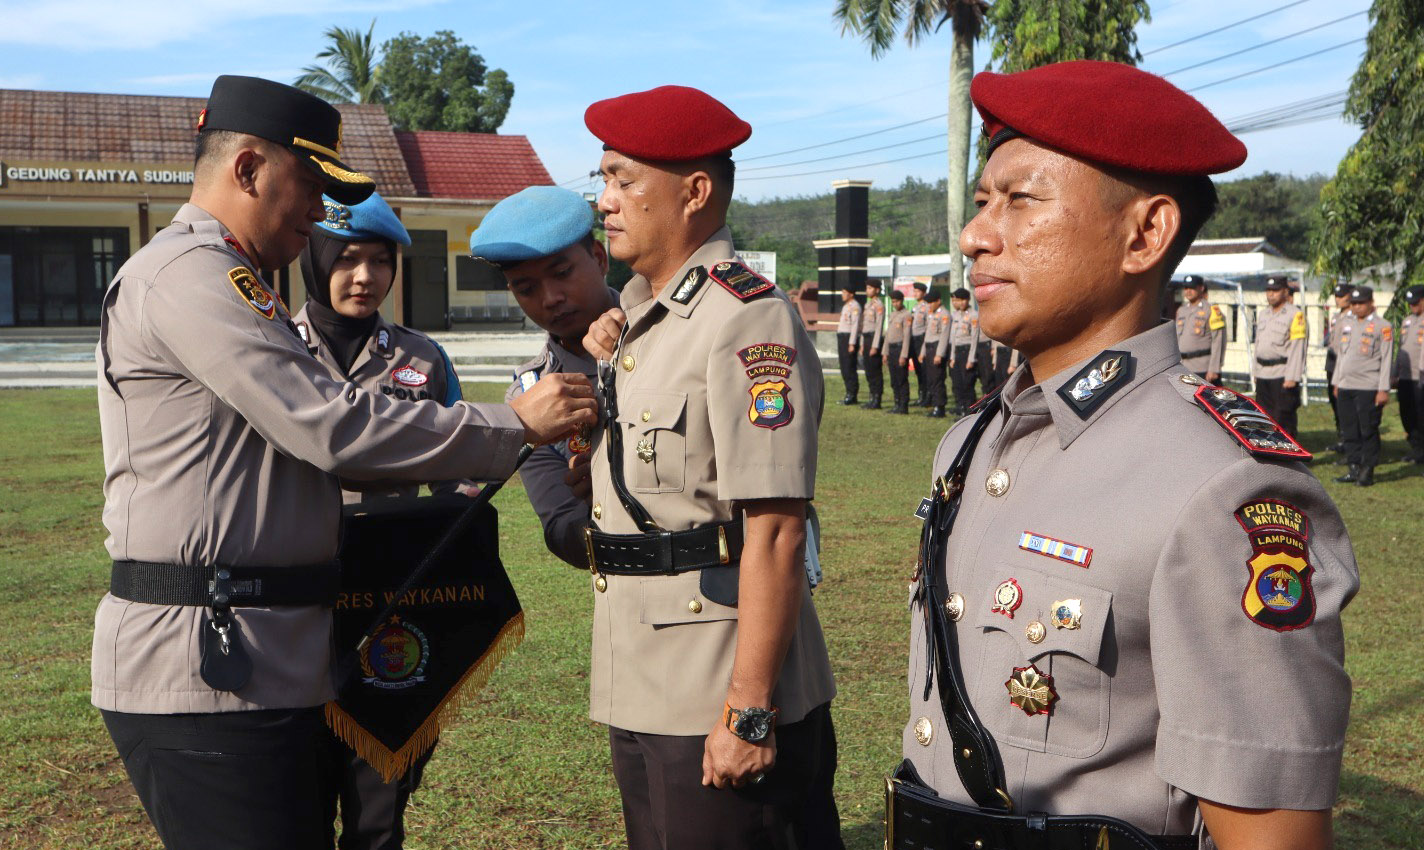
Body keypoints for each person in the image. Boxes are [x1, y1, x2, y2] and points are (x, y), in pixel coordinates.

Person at [91, 75, 597, 850]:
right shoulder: (190, 275)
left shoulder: (236, 281)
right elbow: (331, 425)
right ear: (249, 168)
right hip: (208, 664)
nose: (318, 212)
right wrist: (513, 425)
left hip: (267, 654)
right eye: (309, 187)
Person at [894, 60, 1357, 850]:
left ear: (1145, 234)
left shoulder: (1222, 483)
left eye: (1021, 200)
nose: (975, 235)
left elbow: (1269, 834)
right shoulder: (974, 438)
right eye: (980, 203)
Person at [579, 84, 843, 850]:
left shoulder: (746, 317)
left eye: (625, 180)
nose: (606, 200)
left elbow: (775, 531)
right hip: (641, 671)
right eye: (604, 180)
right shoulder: (639, 319)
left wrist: (749, 709)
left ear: (695, 192)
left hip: (717, 681)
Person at [291, 189, 470, 850]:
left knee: (379, 812)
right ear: (315, 259)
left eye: (379, 260)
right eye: (346, 259)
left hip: (392, 609)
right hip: (291, 610)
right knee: (296, 804)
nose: (364, 277)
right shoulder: (273, 351)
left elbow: (463, 475)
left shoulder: (423, 359)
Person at [468, 185, 621, 565]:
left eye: (563, 273)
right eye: (526, 287)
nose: (550, 297)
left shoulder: (668, 330)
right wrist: (600, 501)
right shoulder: (530, 399)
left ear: (599, 258)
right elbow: (562, 530)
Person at [1332, 285, 1392, 487]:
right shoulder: (1347, 323)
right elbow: (1342, 355)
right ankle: (1353, 467)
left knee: (1368, 429)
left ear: (1371, 303)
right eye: (1354, 303)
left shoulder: (1382, 326)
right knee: (1349, 429)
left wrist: (1383, 389)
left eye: (1360, 303)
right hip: (1346, 385)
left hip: (1369, 386)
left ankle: (1368, 469)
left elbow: (1386, 359)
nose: (1356, 307)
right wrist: (1337, 381)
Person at [1251, 274, 1306, 438]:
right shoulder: (1263, 314)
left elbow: (1298, 348)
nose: (1271, 294)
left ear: (1284, 291)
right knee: (1263, 417)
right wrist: (1255, 370)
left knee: (1283, 418)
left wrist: (1293, 377)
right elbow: (1259, 344)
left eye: (1275, 290)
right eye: (1268, 290)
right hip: (1263, 373)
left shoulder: (1295, 315)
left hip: (1282, 374)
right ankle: (1269, 452)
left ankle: (1288, 457)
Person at [1174, 274, 1226, 382]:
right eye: (1186, 288)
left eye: (1192, 288)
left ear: (1201, 288)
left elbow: (1218, 341)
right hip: (1183, 366)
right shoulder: (1181, 310)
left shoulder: (1212, 310)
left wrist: (1214, 369)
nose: (1188, 291)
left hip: (1203, 368)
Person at [938, 287, 980, 415]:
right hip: (956, 353)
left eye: (962, 300)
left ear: (967, 300)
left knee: (967, 383)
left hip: (967, 351)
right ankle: (961, 408)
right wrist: (952, 357)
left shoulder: (973, 315)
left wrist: (971, 359)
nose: (960, 303)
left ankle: (970, 410)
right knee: (957, 383)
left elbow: (974, 338)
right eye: (957, 300)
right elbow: (953, 339)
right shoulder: (955, 315)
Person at [1395, 285, 1424, 463]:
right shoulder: (1407, 321)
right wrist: (1394, 372)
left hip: (1420, 377)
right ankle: (1415, 447)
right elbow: (1401, 349)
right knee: (1407, 414)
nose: (1412, 306)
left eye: (1416, 303)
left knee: (1422, 415)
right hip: (1405, 377)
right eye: (1410, 303)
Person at [918, 290, 948, 418]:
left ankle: (940, 407)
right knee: (930, 378)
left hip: (936, 348)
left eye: (931, 303)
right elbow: (928, 335)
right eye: (928, 303)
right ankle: (935, 404)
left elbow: (944, 336)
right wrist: (922, 351)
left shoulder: (944, 314)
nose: (929, 305)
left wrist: (939, 354)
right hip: (929, 348)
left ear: (938, 301)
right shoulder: (931, 314)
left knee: (937, 379)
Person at [885, 289, 912, 414]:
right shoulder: (893, 314)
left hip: (900, 348)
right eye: (893, 302)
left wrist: (904, 355)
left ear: (901, 301)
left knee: (901, 379)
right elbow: (887, 335)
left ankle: (903, 405)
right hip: (892, 349)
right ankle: (896, 403)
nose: (894, 304)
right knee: (894, 379)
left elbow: (907, 336)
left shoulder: (906, 315)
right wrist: (885, 352)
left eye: (896, 301)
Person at [861, 279, 887, 409]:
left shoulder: (879, 305)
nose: (868, 290)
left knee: (875, 371)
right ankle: (871, 397)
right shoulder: (868, 305)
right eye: (867, 288)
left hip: (873, 340)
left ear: (877, 290)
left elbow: (878, 327)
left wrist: (875, 345)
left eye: (870, 288)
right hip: (866, 339)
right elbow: (864, 326)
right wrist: (861, 344)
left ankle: (877, 399)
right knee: (868, 370)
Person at [836, 283, 862, 405]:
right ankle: (848, 393)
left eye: (845, 292)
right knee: (844, 367)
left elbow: (855, 326)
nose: (843, 295)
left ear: (851, 294)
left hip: (848, 339)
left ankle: (852, 395)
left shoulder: (855, 307)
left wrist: (852, 343)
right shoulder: (846, 306)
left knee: (849, 367)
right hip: (842, 338)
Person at [910, 282, 930, 406]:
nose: (915, 293)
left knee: (924, 369)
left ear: (923, 293)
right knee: (918, 369)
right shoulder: (915, 307)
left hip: (922, 339)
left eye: (917, 291)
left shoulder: (927, 306)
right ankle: (921, 395)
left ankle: (928, 396)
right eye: (914, 291)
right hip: (914, 339)